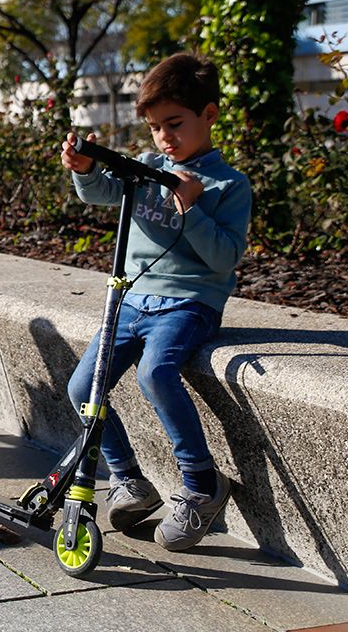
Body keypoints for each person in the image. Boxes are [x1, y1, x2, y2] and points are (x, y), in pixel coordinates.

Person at [59, 52, 251, 552]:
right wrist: (83, 168)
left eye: (175, 123)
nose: (164, 137)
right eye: (154, 127)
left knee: (155, 373)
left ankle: (202, 484)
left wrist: (191, 206)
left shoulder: (228, 185)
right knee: (83, 385)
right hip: (131, 299)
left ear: (208, 115)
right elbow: (101, 192)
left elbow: (224, 258)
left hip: (189, 302)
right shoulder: (147, 169)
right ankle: (128, 480)